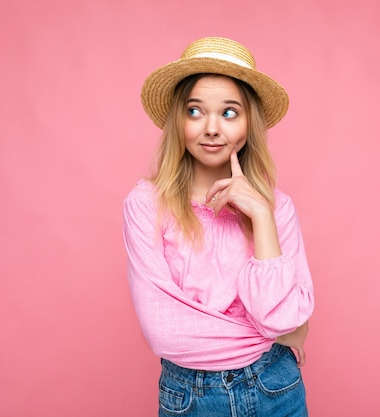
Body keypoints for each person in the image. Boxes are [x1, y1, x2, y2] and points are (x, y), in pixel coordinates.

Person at [123, 36, 315, 416]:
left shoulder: (278, 209)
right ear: (178, 118)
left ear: (249, 124)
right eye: (195, 111)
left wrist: (260, 216)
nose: (212, 128)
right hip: (191, 397)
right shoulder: (146, 205)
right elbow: (165, 332)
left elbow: (287, 318)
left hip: (276, 386)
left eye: (229, 112)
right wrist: (270, 332)